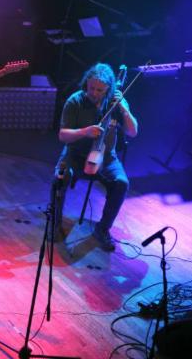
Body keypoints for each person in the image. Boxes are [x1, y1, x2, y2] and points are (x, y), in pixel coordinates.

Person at [54, 63, 138, 251]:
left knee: (121, 183)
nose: (94, 93)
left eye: (100, 90)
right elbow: (63, 135)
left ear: (109, 88)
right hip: (76, 154)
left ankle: (103, 229)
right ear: (86, 83)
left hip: (106, 157)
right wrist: (84, 132)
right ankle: (55, 223)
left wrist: (124, 109)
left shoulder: (116, 103)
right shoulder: (75, 101)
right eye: (91, 87)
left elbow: (133, 132)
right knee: (59, 177)